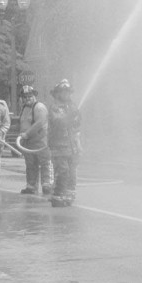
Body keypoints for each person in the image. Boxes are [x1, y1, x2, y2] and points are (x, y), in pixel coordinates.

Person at [48, 79, 82, 207]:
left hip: (72, 145)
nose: (66, 94)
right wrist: (69, 116)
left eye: (68, 92)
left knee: (72, 171)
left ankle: (69, 194)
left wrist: (78, 143)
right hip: (59, 145)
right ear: (57, 93)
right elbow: (58, 122)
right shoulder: (55, 107)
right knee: (62, 170)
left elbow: (77, 125)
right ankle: (57, 194)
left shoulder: (72, 106)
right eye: (63, 92)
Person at [18, 85, 52, 195]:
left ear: (34, 96)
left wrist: (27, 134)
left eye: (29, 96)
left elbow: (39, 123)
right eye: (25, 96)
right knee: (30, 165)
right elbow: (24, 124)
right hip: (29, 143)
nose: (27, 98)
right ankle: (31, 186)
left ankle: (47, 185)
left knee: (45, 163)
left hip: (40, 141)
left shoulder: (39, 107)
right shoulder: (25, 108)